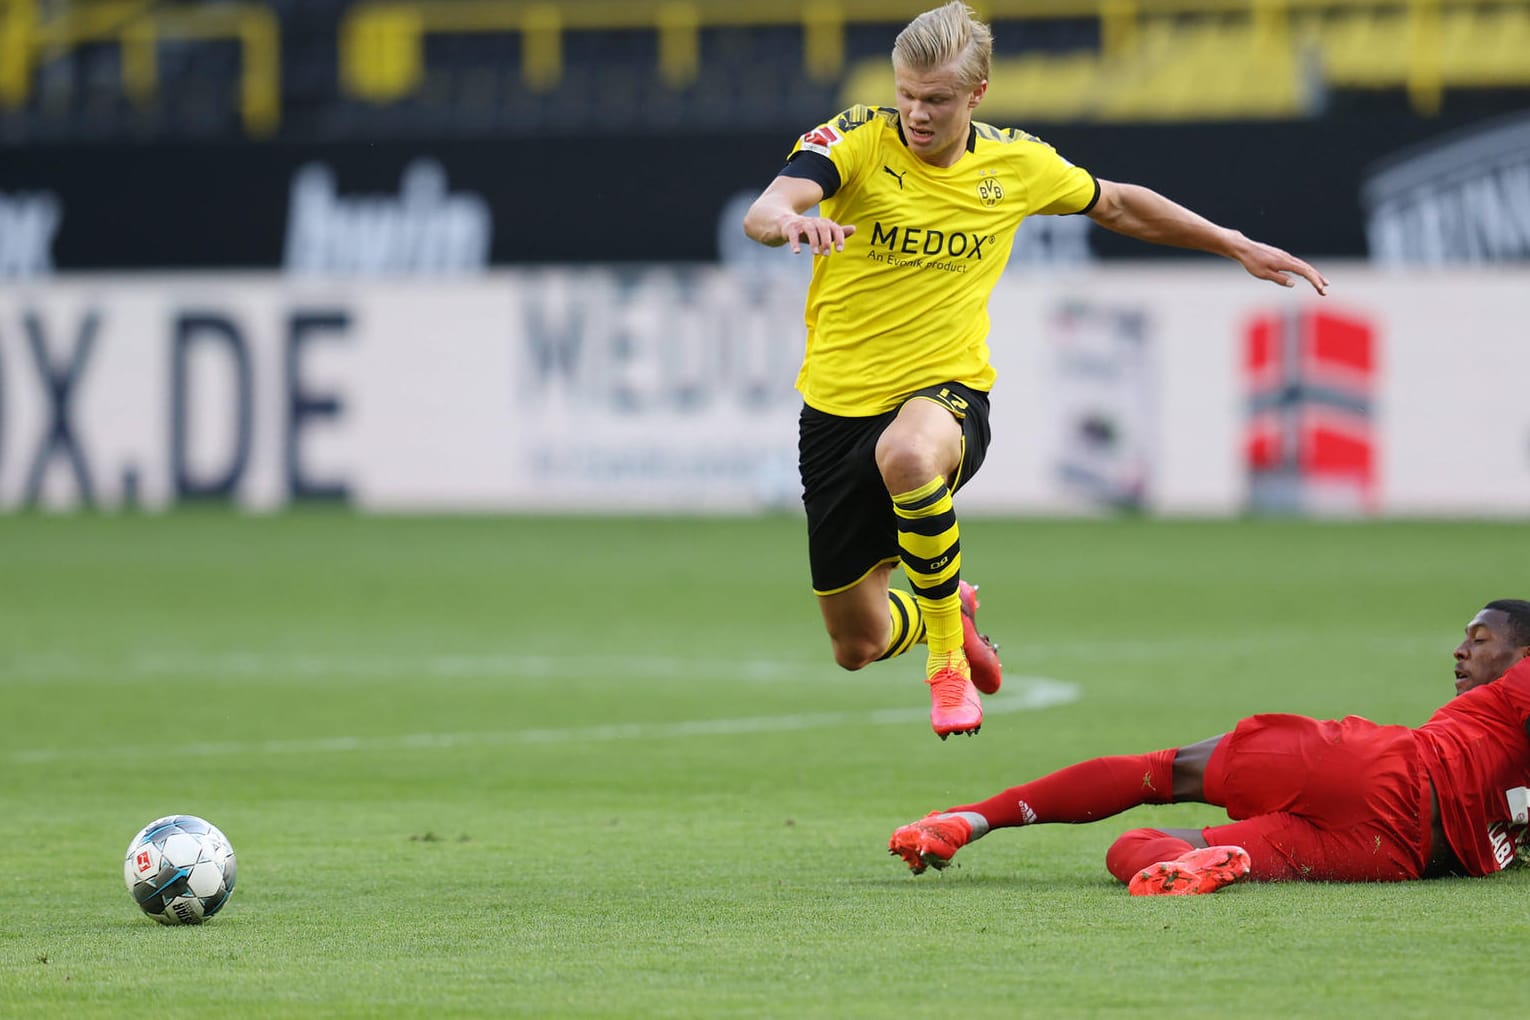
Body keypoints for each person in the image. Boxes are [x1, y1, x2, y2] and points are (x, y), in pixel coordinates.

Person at [741, 2, 1329, 740]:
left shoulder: (1016, 164)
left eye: (937, 100)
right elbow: (767, 206)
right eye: (907, 94)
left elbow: (1116, 203)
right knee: (855, 645)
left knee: (909, 452)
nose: (917, 114)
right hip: (834, 414)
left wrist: (1231, 242)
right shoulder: (858, 138)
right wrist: (790, 221)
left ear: (977, 94)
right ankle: (942, 612)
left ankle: (949, 663)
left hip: (945, 396)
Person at [888, 599, 1530, 894]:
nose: (1461, 648)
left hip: (1374, 770)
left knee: (1158, 772)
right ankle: (1204, 863)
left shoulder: (1517, 692)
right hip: (1393, 855)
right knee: (1135, 854)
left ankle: (966, 821)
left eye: (1480, 637)